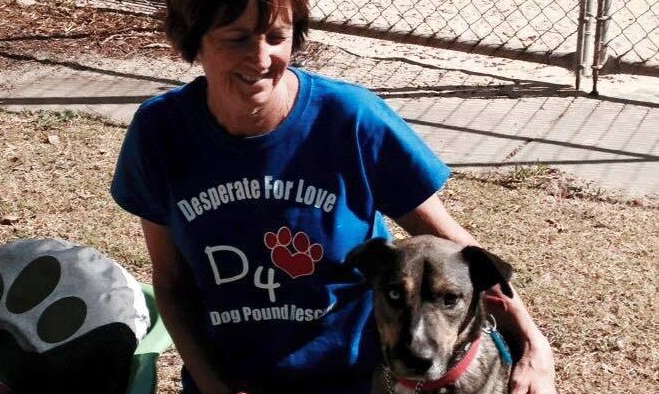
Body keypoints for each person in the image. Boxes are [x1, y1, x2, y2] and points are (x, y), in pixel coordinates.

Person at [110, 0, 557, 393]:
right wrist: (215, 386)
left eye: (276, 36)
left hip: (356, 379)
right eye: (237, 37)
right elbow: (171, 283)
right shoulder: (161, 133)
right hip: (237, 377)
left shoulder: (350, 119)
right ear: (193, 40)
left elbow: (459, 255)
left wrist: (534, 344)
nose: (261, 57)